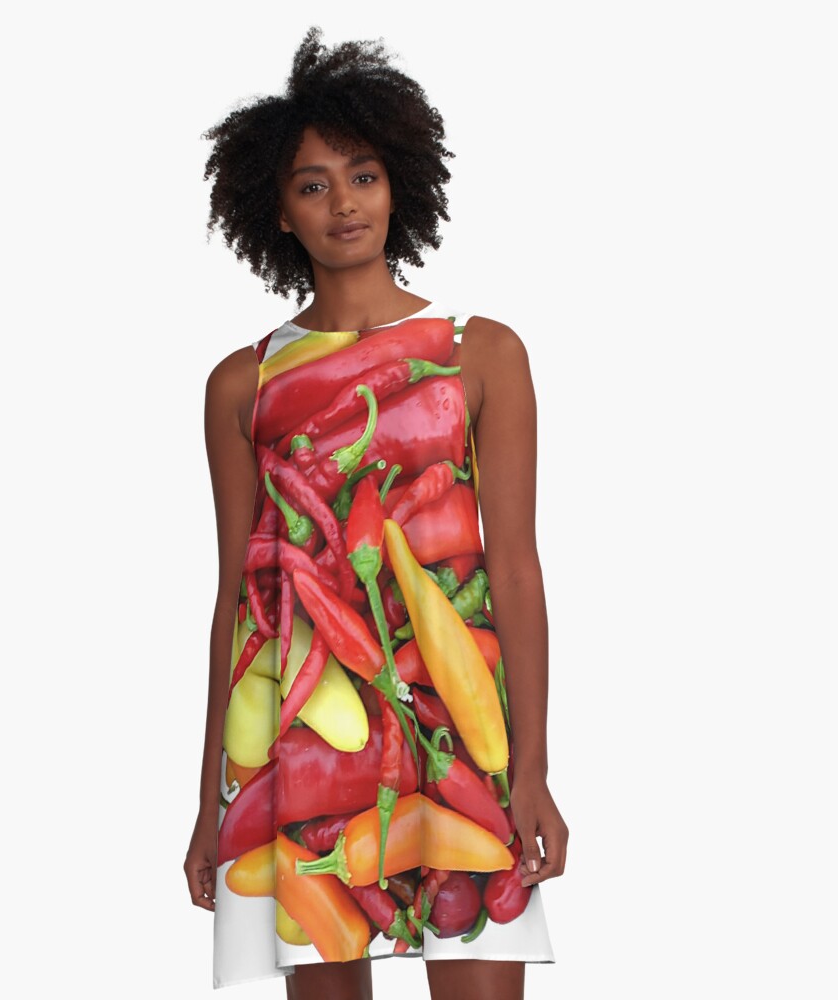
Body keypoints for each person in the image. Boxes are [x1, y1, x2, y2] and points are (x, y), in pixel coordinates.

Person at [185, 26, 569, 998]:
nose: (344, 203)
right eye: (313, 185)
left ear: (398, 184)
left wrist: (531, 769)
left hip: (457, 721)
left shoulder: (482, 352)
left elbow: (513, 567)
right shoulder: (242, 383)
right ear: (277, 210)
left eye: (362, 176)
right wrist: (208, 800)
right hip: (305, 735)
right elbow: (238, 597)